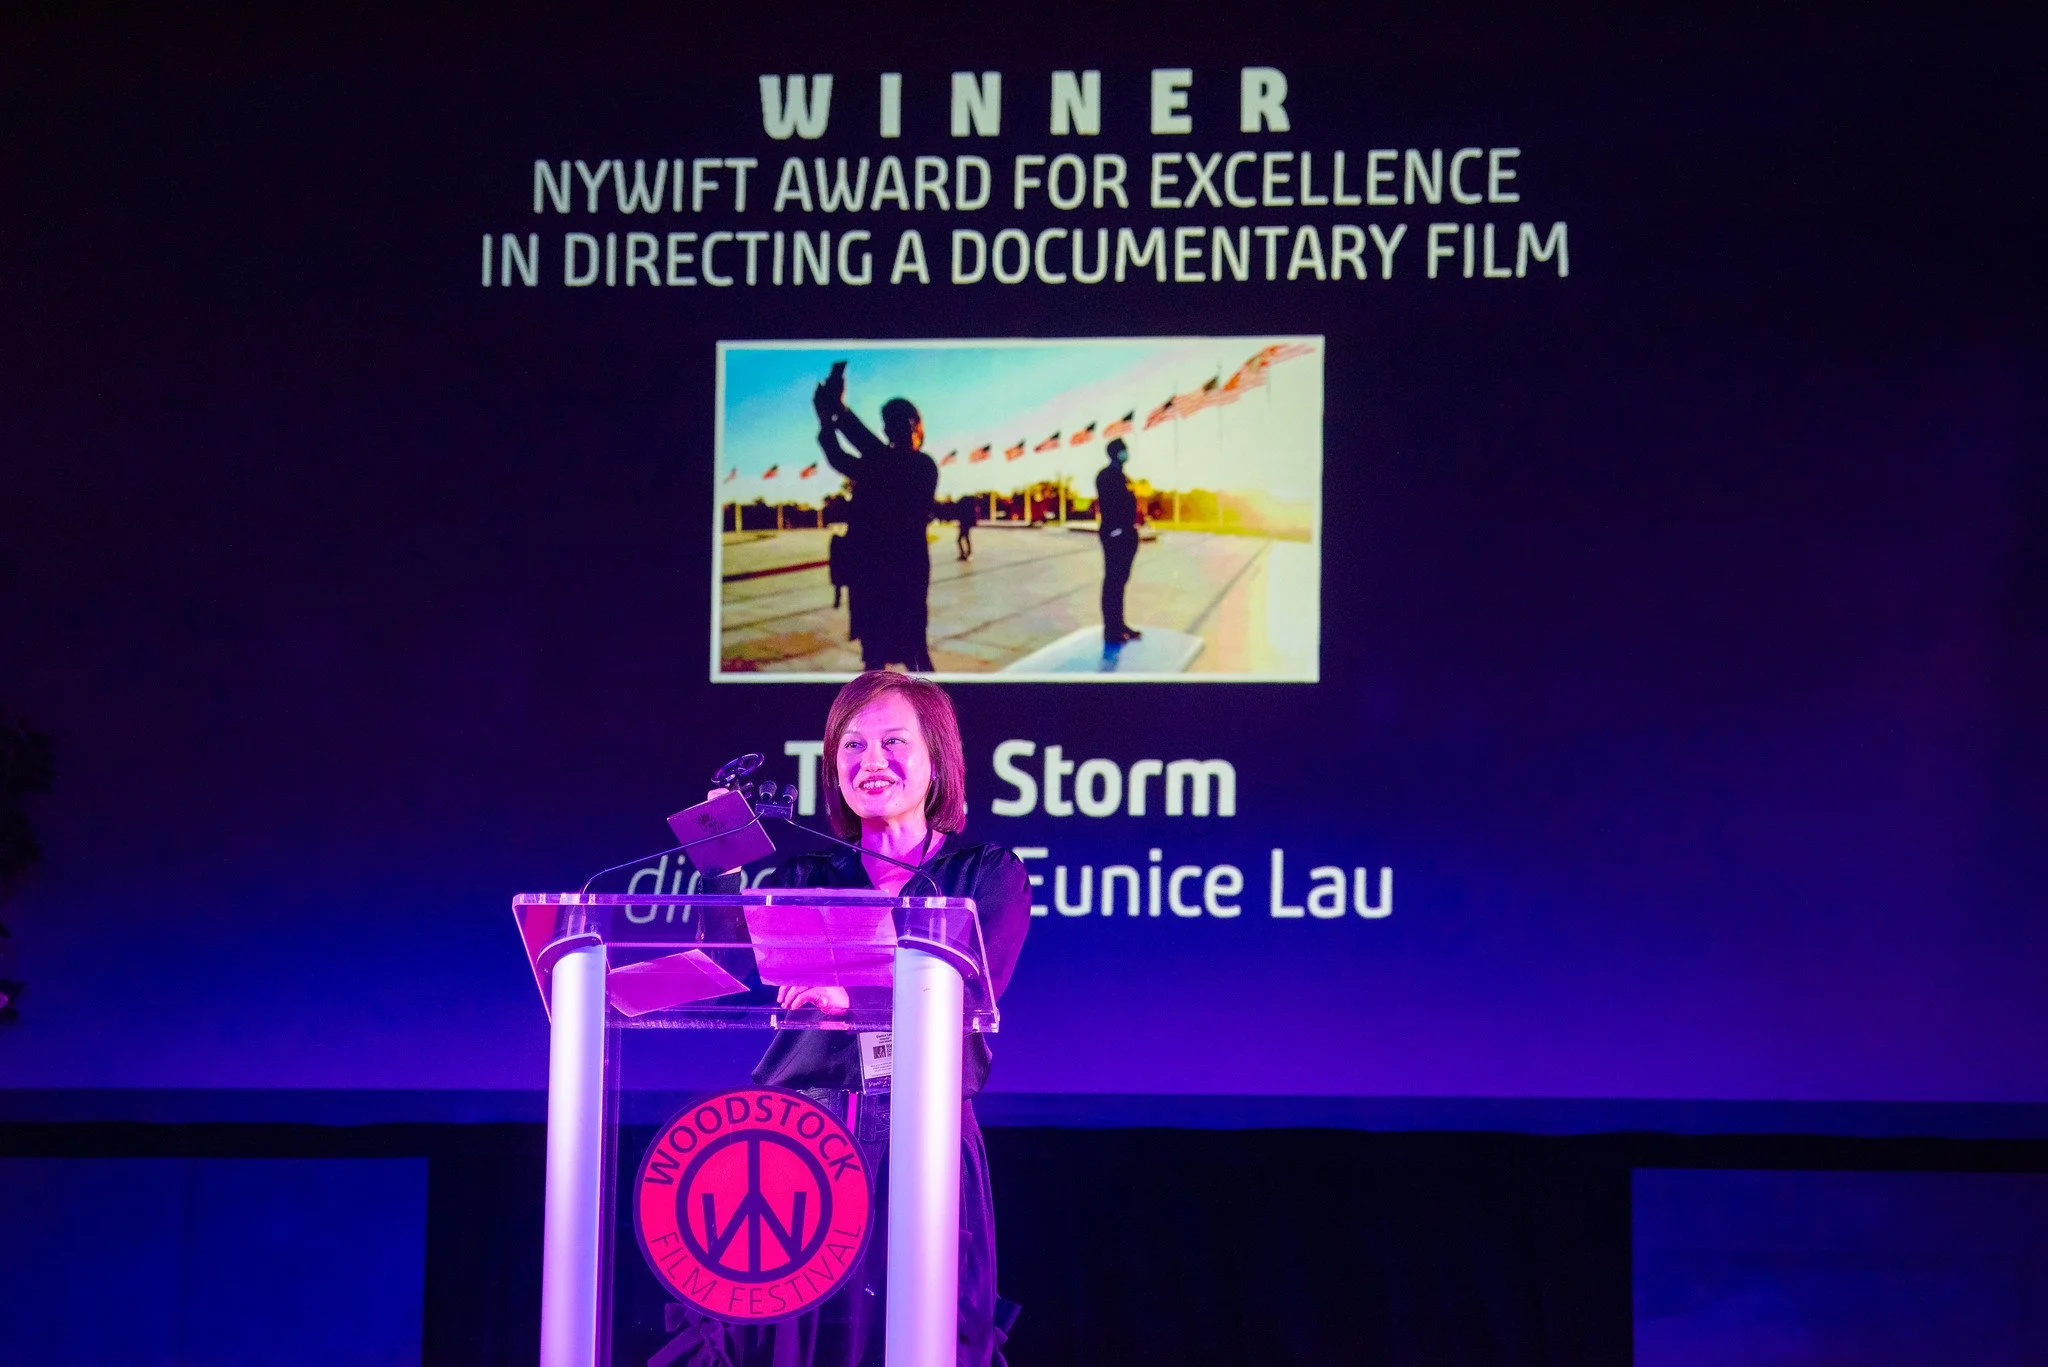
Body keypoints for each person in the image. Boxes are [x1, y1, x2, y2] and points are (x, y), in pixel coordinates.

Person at [677, 671, 1031, 1367]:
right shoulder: (804, 877)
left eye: (894, 742)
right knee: (796, 1342)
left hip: (921, 1127)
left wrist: (849, 995)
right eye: (852, 746)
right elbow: (721, 954)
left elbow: (965, 990)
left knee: (924, 1330)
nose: (873, 762)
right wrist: (719, 838)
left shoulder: (984, 873)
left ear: (938, 759)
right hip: (798, 1132)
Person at [815, 365, 939, 671]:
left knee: (915, 654)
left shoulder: (922, 466)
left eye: (905, 420)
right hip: (870, 574)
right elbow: (839, 458)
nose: (897, 427)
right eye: (891, 422)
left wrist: (838, 412)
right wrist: (828, 421)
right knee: (873, 657)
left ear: (917, 426)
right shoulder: (877, 464)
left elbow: (874, 453)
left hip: (905, 575)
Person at [1095, 438, 1143, 644]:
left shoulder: (1124, 477)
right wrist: (1117, 530)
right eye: (1123, 450)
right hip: (1116, 535)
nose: (1126, 453)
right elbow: (1110, 505)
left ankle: (1119, 624)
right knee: (1113, 583)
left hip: (1127, 534)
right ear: (1115, 453)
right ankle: (1111, 630)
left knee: (1120, 582)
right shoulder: (1106, 475)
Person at [954, 495, 978, 562]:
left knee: (961, 539)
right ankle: (967, 554)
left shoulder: (965, 510)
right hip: (965, 525)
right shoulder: (968, 509)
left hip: (964, 525)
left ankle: (966, 554)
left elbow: (961, 517)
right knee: (966, 538)